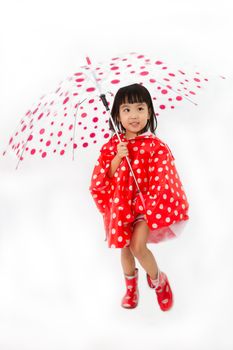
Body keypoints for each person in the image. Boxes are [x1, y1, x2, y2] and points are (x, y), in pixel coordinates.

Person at [89, 83, 189, 311]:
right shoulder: (112, 147)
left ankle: (158, 279)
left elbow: (165, 177)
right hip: (121, 207)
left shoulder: (156, 147)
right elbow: (100, 181)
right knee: (124, 248)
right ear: (116, 115)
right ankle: (131, 287)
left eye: (140, 108)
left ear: (150, 112)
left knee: (137, 246)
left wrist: (150, 200)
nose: (134, 115)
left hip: (146, 207)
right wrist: (117, 158)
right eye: (126, 110)